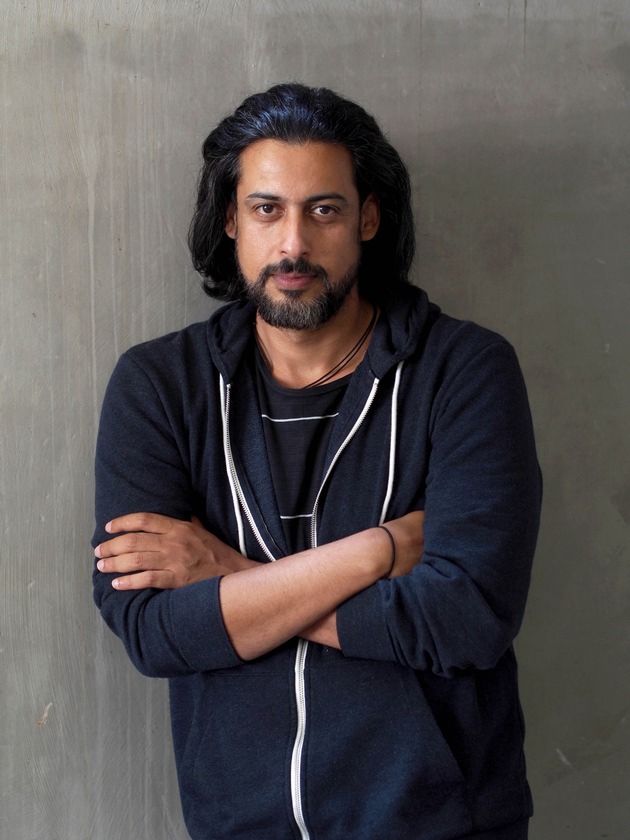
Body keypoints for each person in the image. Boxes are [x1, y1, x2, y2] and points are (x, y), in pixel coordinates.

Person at [92, 83, 542, 840]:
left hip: (442, 824)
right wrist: (378, 552)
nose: (293, 245)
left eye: (324, 210)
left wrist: (228, 580)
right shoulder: (161, 385)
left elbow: (465, 618)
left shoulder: (464, 371)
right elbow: (153, 629)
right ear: (231, 219)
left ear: (368, 217)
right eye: (267, 209)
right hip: (239, 825)